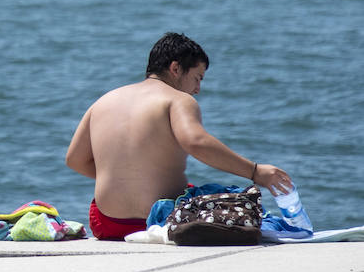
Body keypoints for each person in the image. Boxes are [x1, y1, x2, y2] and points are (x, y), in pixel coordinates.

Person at [66, 31, 293, 241]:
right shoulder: (176, 99)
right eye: (197, 78)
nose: (197, 89)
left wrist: (124, 177)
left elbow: (74, 160)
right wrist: (255, 171)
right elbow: (196, 142)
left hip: (108, 223)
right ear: (175, 68)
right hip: (165, 219)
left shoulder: (103, 102)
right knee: (228, 199)